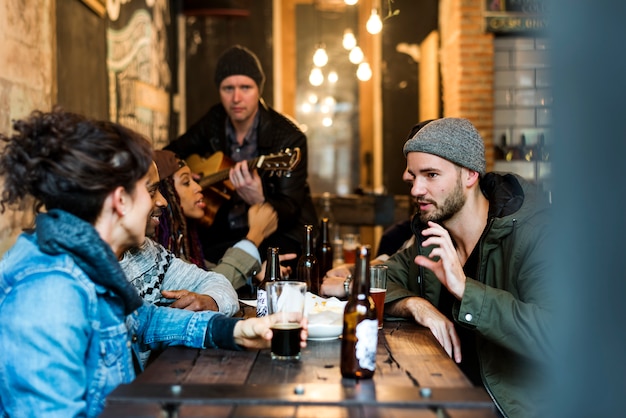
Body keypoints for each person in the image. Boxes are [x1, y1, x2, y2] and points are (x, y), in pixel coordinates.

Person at [0, 109, 307, 417]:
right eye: (149, 190)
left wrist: (237, 331)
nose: (160, 201)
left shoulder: (89, 262)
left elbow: (144, 319)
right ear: (120, 200)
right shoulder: (49, 294)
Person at [383, 117, 553, 417]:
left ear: (470, 175)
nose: (416, 190)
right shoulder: (435, 238)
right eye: (413, 178)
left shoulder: (534, 234)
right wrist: (415, 305)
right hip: (443, 400)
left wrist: (465, 290)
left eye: (431, 175)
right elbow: (376, 280)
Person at [164, 45, 318, 270]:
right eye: (228, 88)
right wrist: (186, 172)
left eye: (245, 87)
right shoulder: (214, 120)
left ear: (259, 89)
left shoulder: (288, 139)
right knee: (190, 257)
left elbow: (291, 207)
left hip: (279, 232)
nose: (236, 97)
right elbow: (169, 154)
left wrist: (259, 199)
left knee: (267, 258)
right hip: (224, 228)